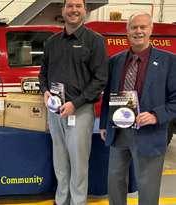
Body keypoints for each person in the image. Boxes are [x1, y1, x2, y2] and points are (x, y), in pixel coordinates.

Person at [99, 11, 176, 205]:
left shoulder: (169, 61)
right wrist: (103, 123)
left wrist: (156, 115)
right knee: (115, 181)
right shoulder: (115, 61)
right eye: (134, 27)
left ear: (151, 30)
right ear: (127, 31)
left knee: (148, 186)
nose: (138, 31)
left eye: (143, 27)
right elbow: (108, 94)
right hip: (119, 131)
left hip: (150, 132)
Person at [38, 0, 108, 204]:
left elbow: (100, 79)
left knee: (78, 162)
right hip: (55, 112)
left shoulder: (95, 41)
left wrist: (75, 104)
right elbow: (43, 74)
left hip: (79, 111)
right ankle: (61, 200)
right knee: (60, 160)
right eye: (70, 5)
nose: (74, 10)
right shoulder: (52, 42)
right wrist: (45, 92)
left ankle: (78, 201)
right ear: (63, 10)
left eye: (78, 5)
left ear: (85, 10)